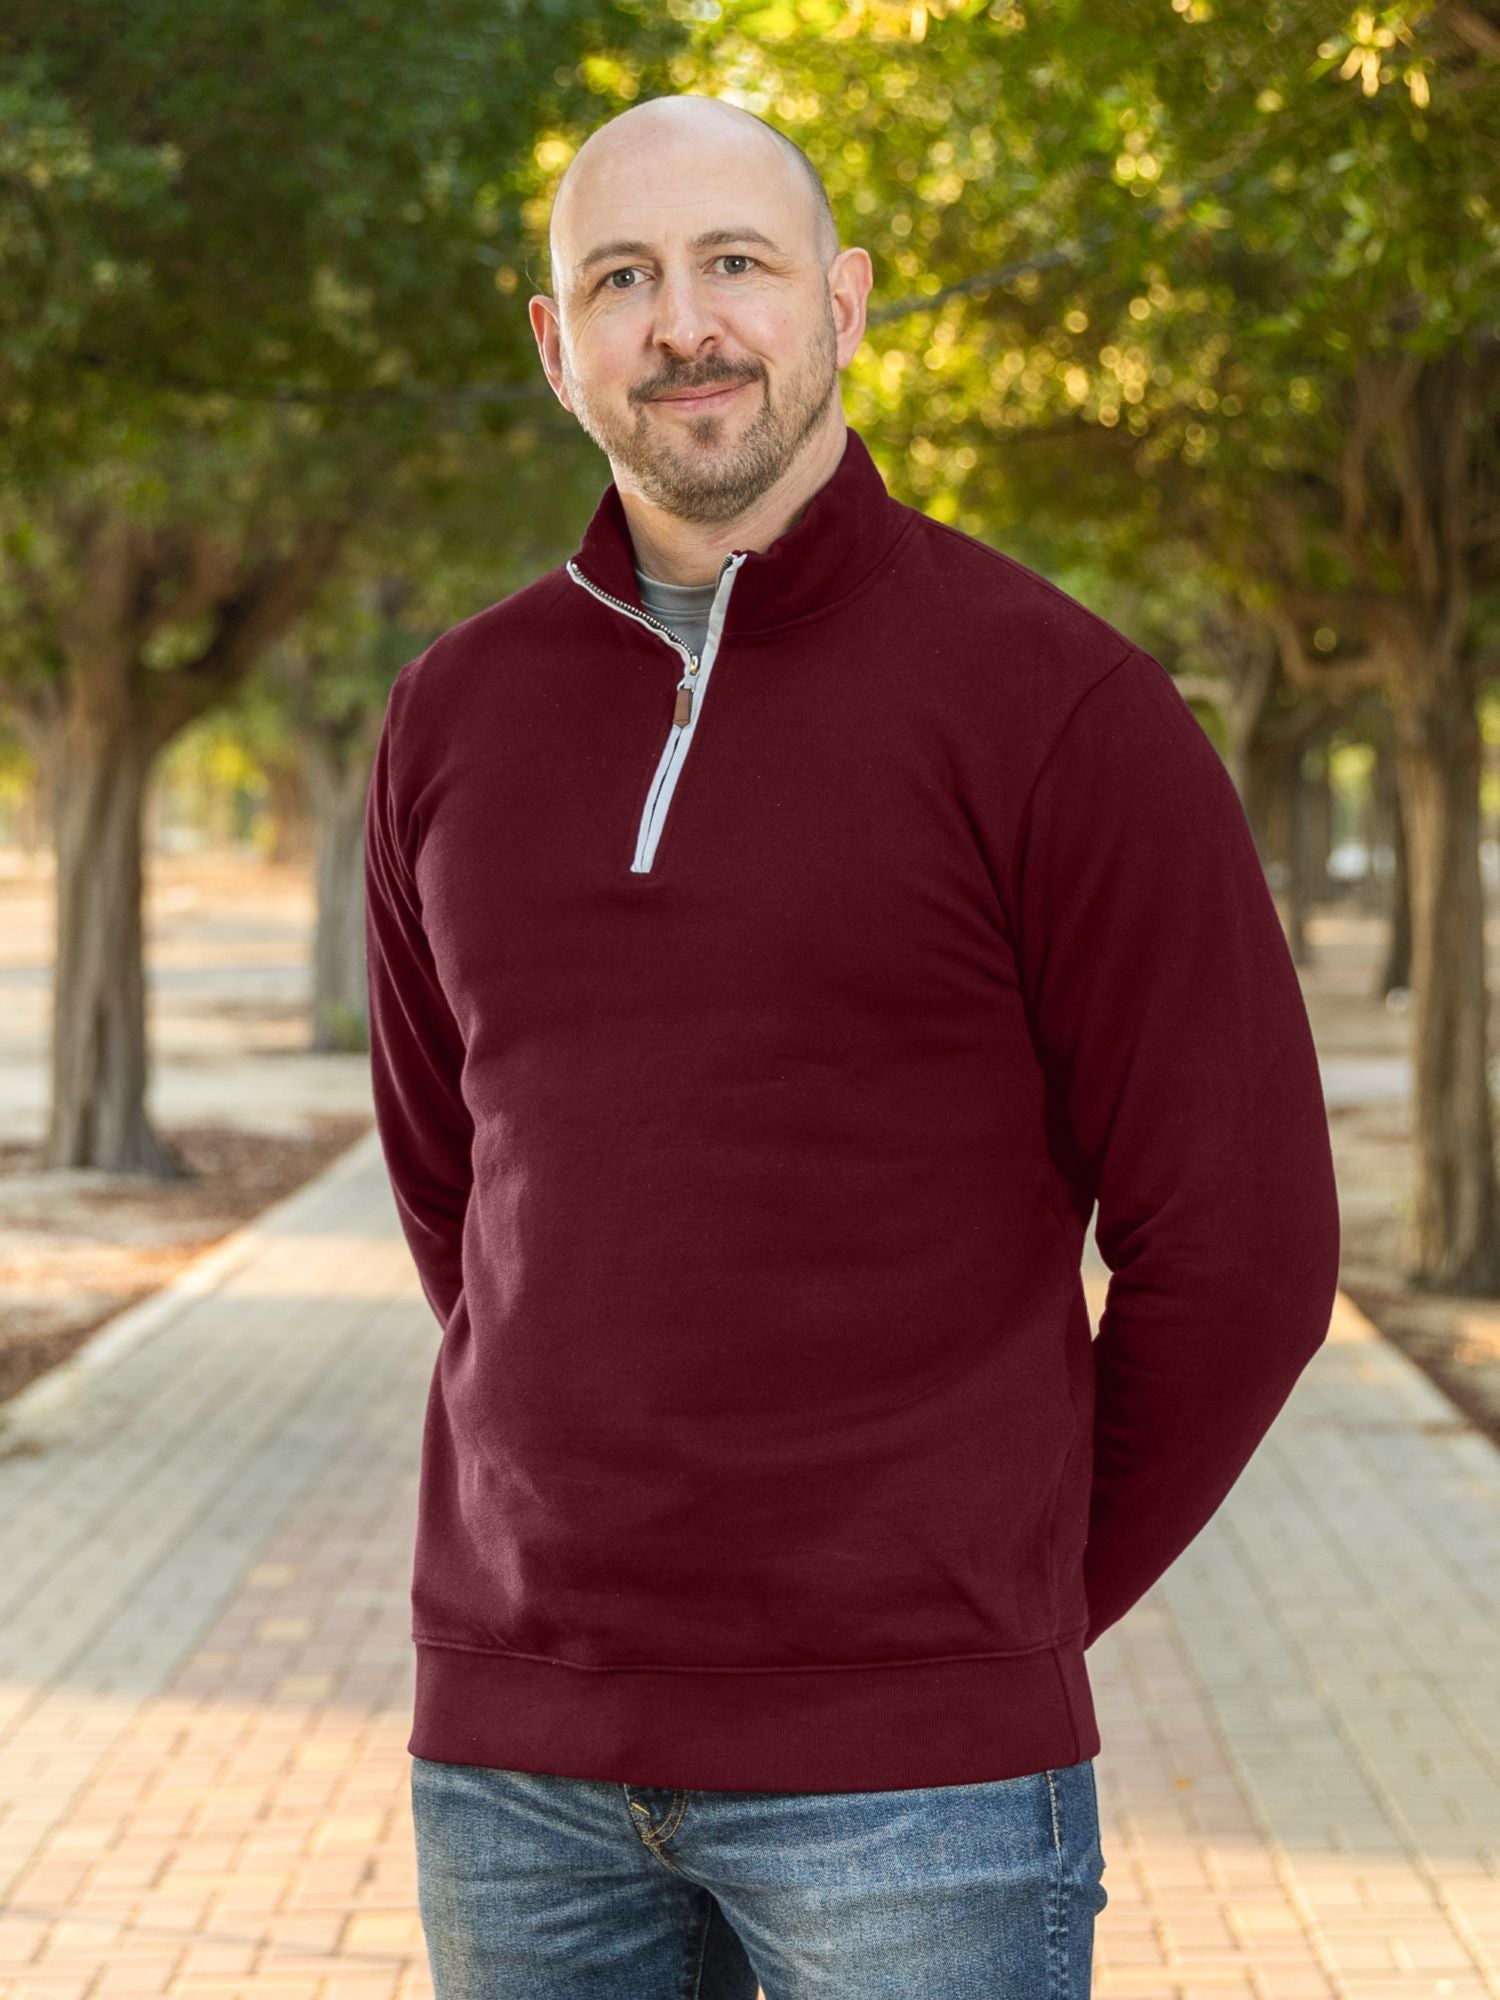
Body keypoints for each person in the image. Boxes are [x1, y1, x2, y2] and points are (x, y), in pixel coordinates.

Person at [363, 91, 1342, 2000]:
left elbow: (1245, 1257)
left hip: (916, 1797)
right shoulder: (448, 716)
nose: (687, 322)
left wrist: (999, 1613)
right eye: (623, 279)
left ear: (847, 304)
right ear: (558, 347)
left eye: (738, 263)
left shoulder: (1063, 710)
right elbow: (455, 1194)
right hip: (519, 1772)